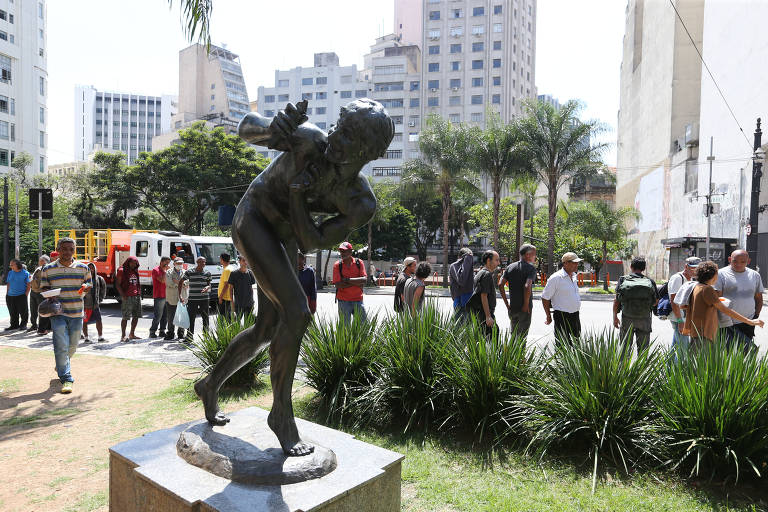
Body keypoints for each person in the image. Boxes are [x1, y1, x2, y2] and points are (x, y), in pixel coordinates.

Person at [194, 98, 392, 457]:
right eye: (338, 126)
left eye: (348, 135)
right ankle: (281, 416)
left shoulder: (359, 201)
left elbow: (310, 241)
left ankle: (210, 384)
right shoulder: (309, 140)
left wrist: (298, 193)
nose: (335, 136)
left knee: (267, 329)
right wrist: (272, 127)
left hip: (284, 234)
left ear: (369, 152)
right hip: (253, 219)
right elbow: (246, 127)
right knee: (297, 312)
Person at [39, 237, 92, 394]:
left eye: (71, 249)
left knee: (73, 346)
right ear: (58, 250)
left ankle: (61, 364)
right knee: (61, 345)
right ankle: (66, 378)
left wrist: (86, 287)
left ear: (74, 250)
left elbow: (89, 284)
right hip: (58, 312)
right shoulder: (48, 269)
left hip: (76, 311)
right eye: (64, 249)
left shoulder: (83, 268)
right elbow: (43, 287)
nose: (68, 252)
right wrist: (50, 293)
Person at [684, 261, 763, 346]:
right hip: (704, 332)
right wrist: (749, 321)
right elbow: (725, 310)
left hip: (698, 330)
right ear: (713, 276)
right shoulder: (707, 289)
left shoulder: (698, 286)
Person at [713, 249, 764, 350]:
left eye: (743, 262)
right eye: (735, 261)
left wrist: (756, 315)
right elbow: (718, 301)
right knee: (734, 352)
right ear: (729, 259)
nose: (738, 264)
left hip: (749, 322)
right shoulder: (720, 274)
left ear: (748, 261)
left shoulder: (755, 275)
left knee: (745, 352)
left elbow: (758, 298)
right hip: (728, 323)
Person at [613, 257, 658, 351]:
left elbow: (616, 300)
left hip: (627, 318)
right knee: (643, 350)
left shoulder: (623, 280)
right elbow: (656, 302)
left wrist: (615, 317)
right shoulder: (650, 281)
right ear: (644, 268)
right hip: (644, 319)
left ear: (631, 267)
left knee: (625, 350)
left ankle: (624, 361)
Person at [541, 252, 583, 343]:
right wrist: (548, 315)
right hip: (562, 316)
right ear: (565, 263)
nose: (577, 265)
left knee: (576, 343)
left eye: (577, 263)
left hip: (575, 315)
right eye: (574, 263)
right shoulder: (556, 278)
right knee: (562, 344)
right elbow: (545, 297)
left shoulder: (574, 276)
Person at [499, 244, 537, 338]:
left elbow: (500, 284)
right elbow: (527, 286)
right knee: (522, 338)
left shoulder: (510, 267)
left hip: (513, 307)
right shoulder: (531, 269)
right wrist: (526, 305)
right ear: (527, 255)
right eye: (534, 254)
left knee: (513, 335)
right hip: (524, 309)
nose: (535, 256)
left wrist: (507, 304)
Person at [668, 257, 700, 353]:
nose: (695, 270)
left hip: (685, 318)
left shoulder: (692, 279)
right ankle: (681, 364)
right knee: (684, 349)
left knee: (676, 346)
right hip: (679, 318)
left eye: (697, 268)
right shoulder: (678, 278)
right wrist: (680, 321)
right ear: (686, 267)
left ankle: (669, 363)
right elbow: (673, 301)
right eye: (693, 268)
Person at [467, 250, 500, 337]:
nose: (498, 263)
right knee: (493, 336)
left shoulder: (481, 272)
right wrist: (488, 316)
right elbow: (484, 295)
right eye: (496, 260)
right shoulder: (486, 274)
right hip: (484, 314)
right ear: (489, 260)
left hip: (480, 314)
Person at [332, 241, 367, 323]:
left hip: (358, 300)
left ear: (350, 252)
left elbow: (364, 280)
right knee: (345, 328)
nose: (342, 253)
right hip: (343, 301)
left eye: (344, 251)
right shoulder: (337, 265)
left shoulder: (359, 262)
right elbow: (338, 285)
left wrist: (347, 280)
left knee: (362, 326)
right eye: (341, 251)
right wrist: (357, 283)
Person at [183, 256, 212, 342]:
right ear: (197, 262)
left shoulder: (207, 273)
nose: (203, 263)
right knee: (191, 318)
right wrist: (180, 295)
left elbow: (209, 284)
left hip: (204, 298)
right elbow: (181, 281)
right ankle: (189, 336)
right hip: (192, 299)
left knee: (205, 318)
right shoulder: (189, 272)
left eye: (204, 262)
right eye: (201, 262)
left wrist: (207, 287)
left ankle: (206, 336)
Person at [115, 256, 142, 343]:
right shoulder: (122, 271)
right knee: (125, 317)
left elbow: (137, 283)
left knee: (136, 316)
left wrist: (139, 293)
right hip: (127, 296)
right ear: (128, 262)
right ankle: (123, 336)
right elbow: (117, 284)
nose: (134, 264)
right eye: (132, 263)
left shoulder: (135, 270)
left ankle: (132, 334)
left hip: (136, 296)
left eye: (135, 263)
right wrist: (123, 295)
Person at [82, 262, 107, 342]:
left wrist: (100, 299)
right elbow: (80, 292)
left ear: (95, 269)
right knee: (85, 321)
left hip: (95, 305)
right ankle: (86, 337)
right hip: (86, 305)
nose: (91, 270)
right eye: (89, 268)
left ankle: (100, 337)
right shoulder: (84, 279)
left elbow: (103, 289)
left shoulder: (99, 279)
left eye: (92, 268)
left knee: (99, 320)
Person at [164, 257, 188, 340]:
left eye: (181, 263)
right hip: (171, 298)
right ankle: (170, 333)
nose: (180, 265)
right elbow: (169, 283)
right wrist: (181, 283)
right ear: (174, 264)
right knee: (171, 317)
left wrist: (177, 282)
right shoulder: (169, 272)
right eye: (178, 263)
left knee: (182, 316)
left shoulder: (185, 272)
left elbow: (187, 283)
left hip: (182, 298)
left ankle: (181, 333)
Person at [5, 258, 30, 331]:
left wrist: (25, 295)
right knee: (12, 312)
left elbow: (28, 285)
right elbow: (8, 283)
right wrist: (7, 293)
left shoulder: (25, 273)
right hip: (10, 296)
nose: (10, 266)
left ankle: (23, 325)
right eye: (10, 265)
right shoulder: (10, 272)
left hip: (21, 295)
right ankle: (14, 325)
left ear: (17, 265)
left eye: (12, 265)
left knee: (23, 312)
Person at [449, 248, 475, 320]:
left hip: (467, 298)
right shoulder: (454, 266)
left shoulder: (467, 266)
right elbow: (462, 280)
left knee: (467, 323)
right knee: (459, 324)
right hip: (460, 300)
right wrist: (468, 258)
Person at [229, 255, 256, 321]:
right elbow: (230, 289)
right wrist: (232, 303)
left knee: (248, 323)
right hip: (238, 304)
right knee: (236, 323)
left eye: (246, 260)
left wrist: (252, 300)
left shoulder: (250, 273)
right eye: (243, 260)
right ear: (239, 262)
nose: (245, 262)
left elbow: (251, 288)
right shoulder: (233, 274)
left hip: (249, 304)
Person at [149, 256, 171, 338]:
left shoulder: (167, 271)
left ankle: (162, 331)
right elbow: (162, 280)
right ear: (161, 262)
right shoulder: (156, 270)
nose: (167, 264)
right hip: (159, 295)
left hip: (167, 295)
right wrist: (166, 271)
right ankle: (152, 331)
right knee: (158, 315)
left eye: (168, 263)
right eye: (166, 262)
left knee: (165, 315)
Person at [29, 255, 51, 335]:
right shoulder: (38, 268)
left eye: (41, 260)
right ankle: (34, 325)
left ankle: (42, 328)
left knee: (42, 311)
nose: (39, 262)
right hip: (33, 291)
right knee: (33, 310)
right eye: (40, 260)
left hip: (41, 292)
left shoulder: (48, 268)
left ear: (45, 261)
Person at [217, 253, 235, 318]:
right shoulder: (230, 268)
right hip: (228, 297)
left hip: (225, 297)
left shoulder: (227, 270)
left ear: (221, 260)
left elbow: (226, 285)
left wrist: (221, 297)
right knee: (227, 316)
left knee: (224, 317)